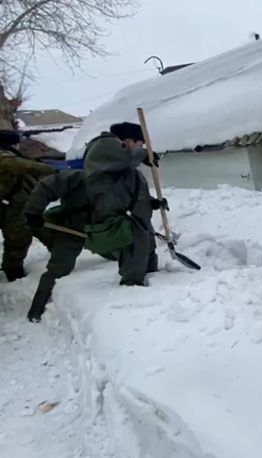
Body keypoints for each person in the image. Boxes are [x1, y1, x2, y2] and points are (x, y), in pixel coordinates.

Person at [83, 122, 163, 286]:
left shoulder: (126, 168)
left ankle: (149, 274)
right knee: (132, 243)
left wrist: (152, 202)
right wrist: (144, 154)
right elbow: (125, 157)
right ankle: (131, 287)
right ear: (128, 140)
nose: (141, 147)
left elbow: (134, 190)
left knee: (146, 240)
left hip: (130, 210)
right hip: (113, 208)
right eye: (139, 143)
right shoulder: (104, 145)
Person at [23, 169, 92, 322]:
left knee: (124, 253)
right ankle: (36, 310)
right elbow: (47, 186)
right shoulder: (78, 177)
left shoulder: (122, 176)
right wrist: (33, 211)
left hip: (107, 232)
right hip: (72, 231)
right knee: (58, 268)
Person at [0, 129, 57, 282]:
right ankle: (13, 272)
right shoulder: (5, 157)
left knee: (28, 229)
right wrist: (57, 171)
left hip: (13, 205)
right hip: (9, 206)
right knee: (19, 236)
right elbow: (25, 166)